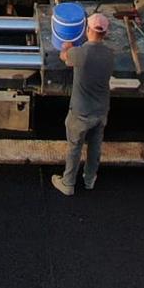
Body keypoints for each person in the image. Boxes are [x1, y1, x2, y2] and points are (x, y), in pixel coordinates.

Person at [52, 11, 114, 195]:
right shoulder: (110, 54)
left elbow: (64, 57)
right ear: (106, 33)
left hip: (81, 112)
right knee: (95, 147)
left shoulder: (81, 54)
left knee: (74, 146)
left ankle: (68, 183)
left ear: (87, 29)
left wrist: (67, 46)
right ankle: (89, 180)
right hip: (101, 110)